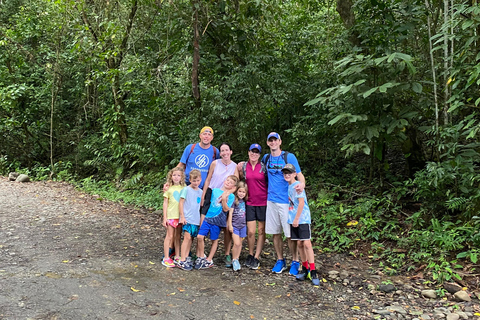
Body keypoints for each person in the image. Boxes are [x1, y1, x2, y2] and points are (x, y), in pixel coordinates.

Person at [262, 132, 305, 275]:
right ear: (268, 143)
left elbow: (299, 173)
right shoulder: (266, 158)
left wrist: (302, 185)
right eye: (270, 141)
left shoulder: (289, 157)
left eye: (275, 140)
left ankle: (295, 260)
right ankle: (280, 260)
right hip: (271, 200)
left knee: (290, 234)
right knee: (275, 233)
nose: (273, 143)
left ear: (280, 141)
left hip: (287, 201)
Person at [201, 142, 239, 268]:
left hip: (226, 197)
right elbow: (208, 179)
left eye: (226, 150)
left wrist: (226, 195)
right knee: (203, 222)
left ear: (231, 151)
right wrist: (203, 195)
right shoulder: (215, 163)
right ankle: (200, 253)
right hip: (212, 194)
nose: (224, 153)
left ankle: (227, 254)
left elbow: (236, 185)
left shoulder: (234, 166)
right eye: (222, 150)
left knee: (226, 227)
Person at [282, 163, 320, 285]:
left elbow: (302, 203)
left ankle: (313, 270)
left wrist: (297, 218)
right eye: (285, 173)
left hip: (302, 218)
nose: (287, 175)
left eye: (289, 173)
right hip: (293, 218)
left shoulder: (297, 186)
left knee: (307, 243)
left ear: (294, 174)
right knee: (299, 243)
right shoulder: (289, 186)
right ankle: (304, 268)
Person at [195, 175, 238, 269]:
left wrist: (224, 200)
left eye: (231, 183)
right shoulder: (215, 191)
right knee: (200, 236)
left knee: (214, 240)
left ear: (233, 186)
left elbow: (226, 209)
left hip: (218, 220)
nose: (228, 183)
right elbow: (210, 202)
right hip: (208, 217)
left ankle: (209, 259)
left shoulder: (231, 196)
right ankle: (202, 256)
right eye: (227, 180)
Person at [238, 143, 267, 270]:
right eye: (252, 151)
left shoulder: (264, 167)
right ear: (248, 152)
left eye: (256, 152)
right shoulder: (244, 166)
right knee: (250, 232)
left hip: (263, 202)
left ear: (259, 154)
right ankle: (250, 253)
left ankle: (257, 256)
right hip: (249, 202)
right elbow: (239, 180)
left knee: (261, 231)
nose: (254, 154)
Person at [177, 169, 203, 271]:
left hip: (195, 219)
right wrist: (182, 216)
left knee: (191, 239)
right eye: (193, 181)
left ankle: (186, 256)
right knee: (186, 238)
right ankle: (182, 259)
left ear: (200, 180)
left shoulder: (201, 192)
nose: (196, 183)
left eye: (197, 181)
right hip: (187, 218)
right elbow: (181, 202)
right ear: (190, 180)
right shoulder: (186, 190)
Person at [161, 167, 186, 267]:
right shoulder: (168, 188)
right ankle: (166, 257)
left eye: (178, 175)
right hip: (171, 216)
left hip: (180, 216)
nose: (176, 177)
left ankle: (177, 255)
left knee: (178, 236)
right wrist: (165, 217)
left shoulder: (184, 187)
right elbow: (165, 203)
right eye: (174, 175)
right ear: (171, 176)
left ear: (182, 177)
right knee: (169, 236)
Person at [228, 181, 248, 271]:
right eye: (240, 191)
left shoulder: (245, 201)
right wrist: (230, 225)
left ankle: (237, 259)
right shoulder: (234, 201)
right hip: (235, 225)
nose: (241, 194)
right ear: (237, 191)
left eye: (243, 192)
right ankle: (234, 259)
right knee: (236, 243)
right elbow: (230, 213)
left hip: (243, 226)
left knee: (240, 244)